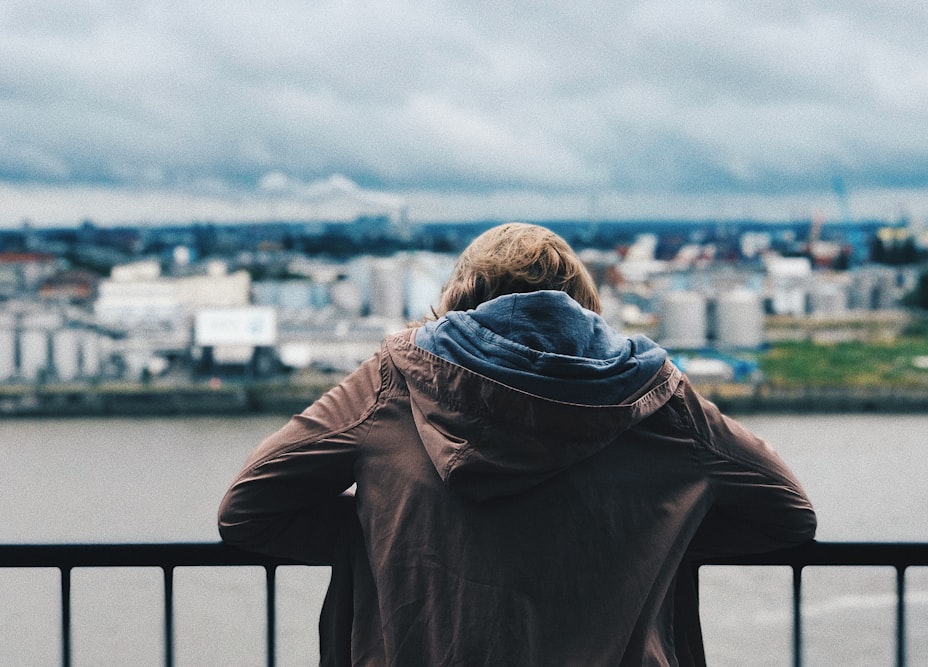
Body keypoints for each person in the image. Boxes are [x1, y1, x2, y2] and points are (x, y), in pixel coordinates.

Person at [218, 222, 816, 666]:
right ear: (586, 306)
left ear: (457, 299)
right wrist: (645, 534)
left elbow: (248, 510)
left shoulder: (397, 380)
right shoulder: (656, 397)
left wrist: (384, 529)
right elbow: (788, 516)